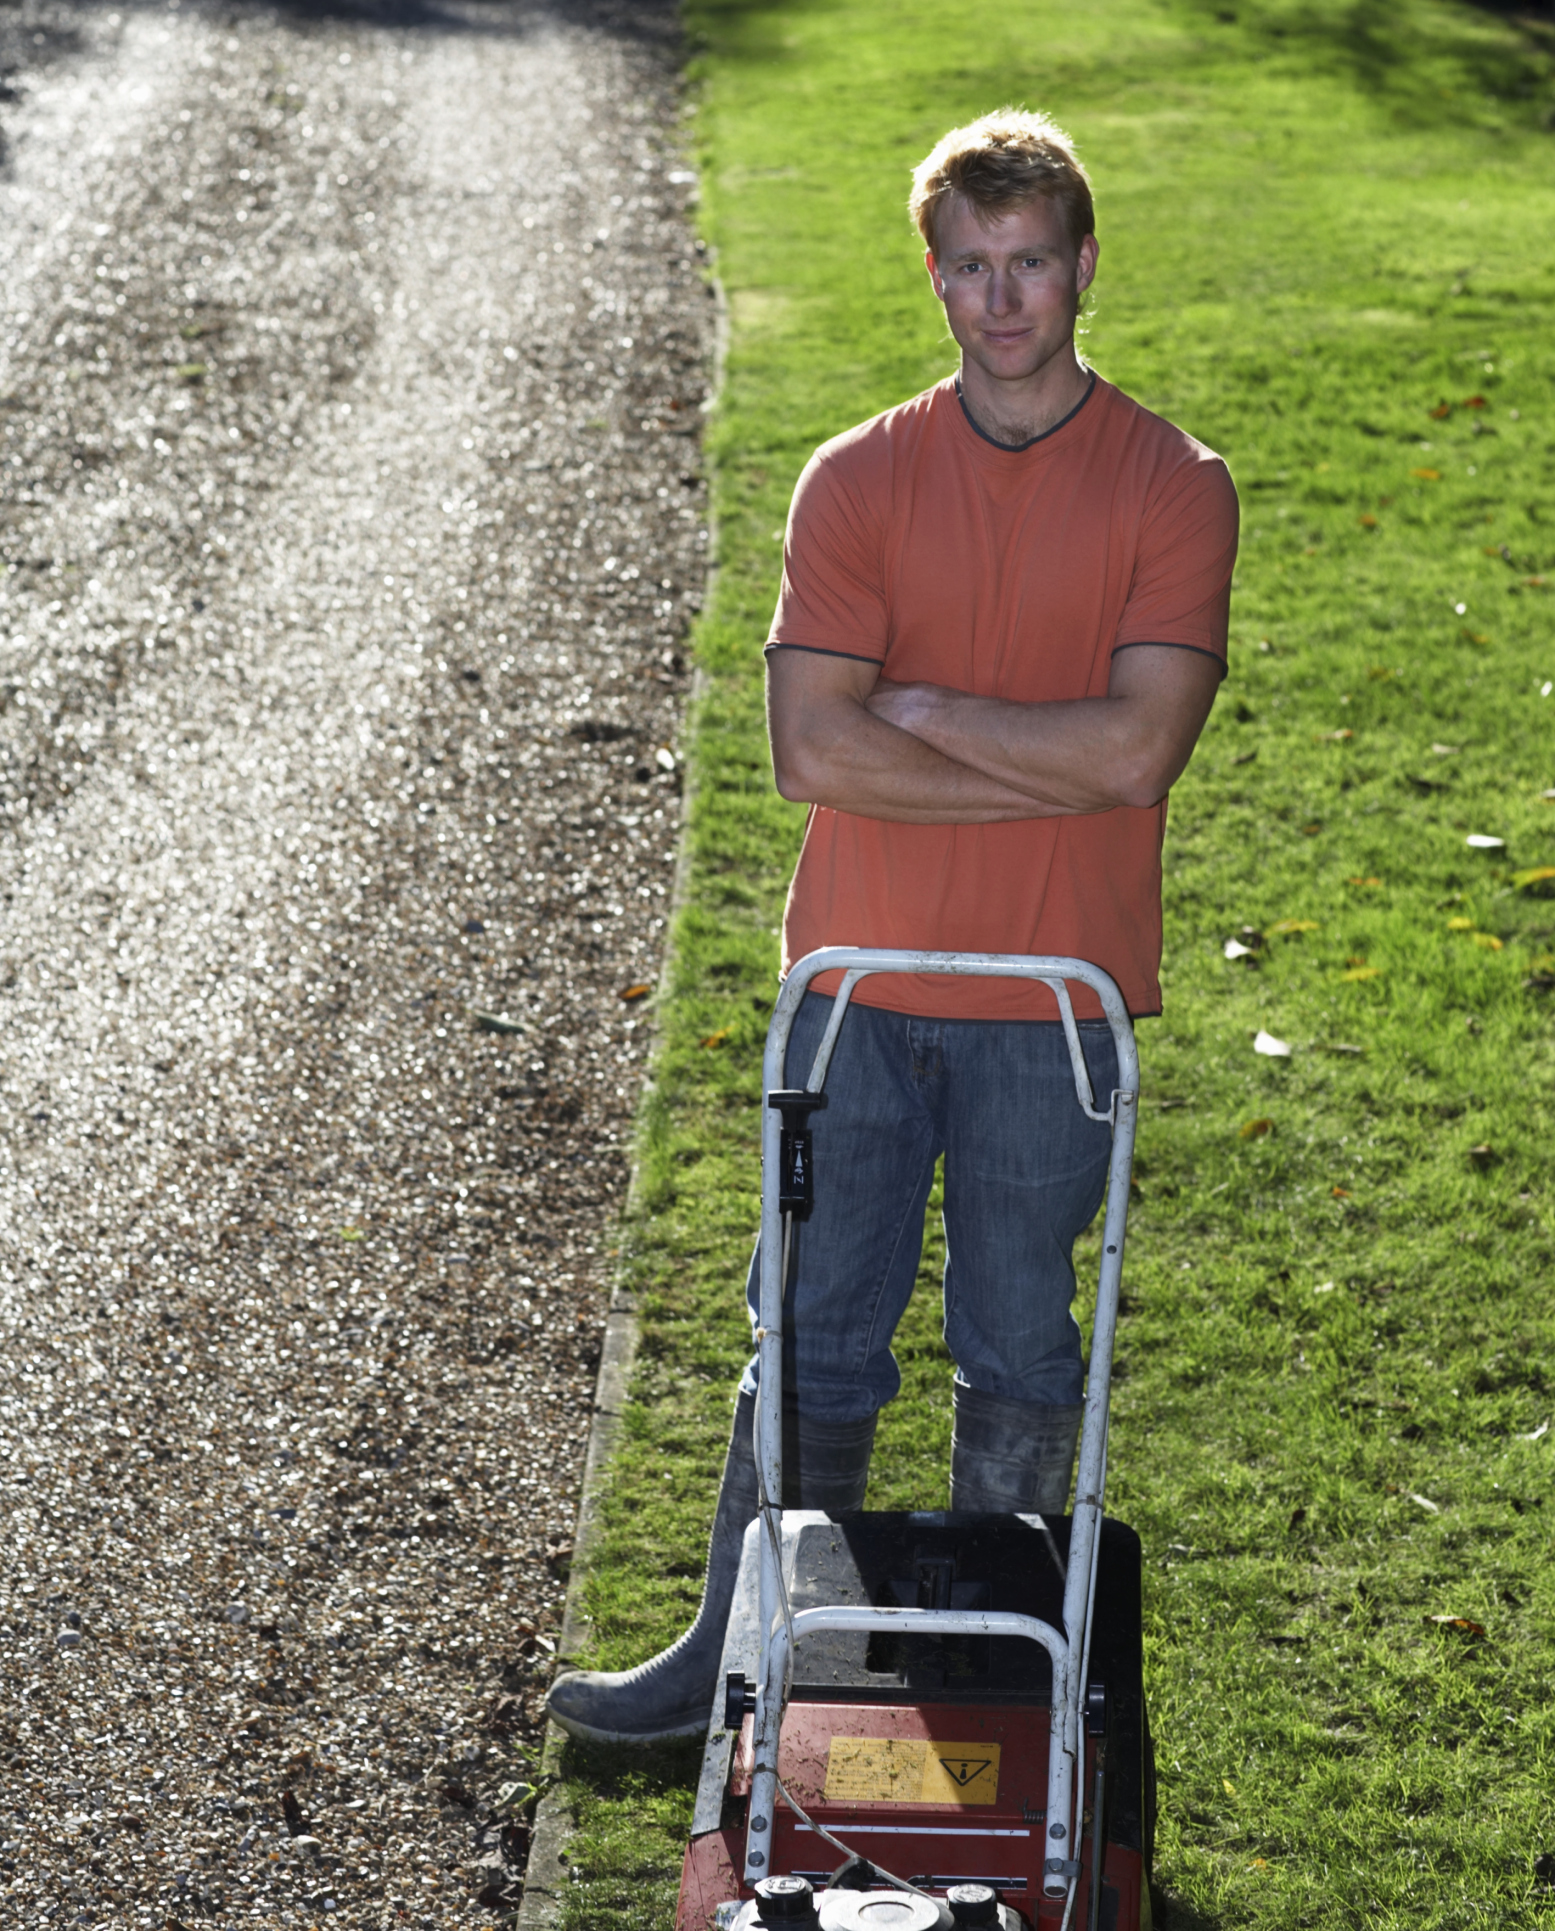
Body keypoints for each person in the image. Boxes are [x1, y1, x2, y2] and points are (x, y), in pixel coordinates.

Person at [547, 107, 1238, 1745]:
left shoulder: (1171, 484)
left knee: (1018, 1347)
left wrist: (923, 713)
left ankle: (994, 1693)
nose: (1004, 300)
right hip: (851, 995)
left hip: (1052, 1013)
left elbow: (1144, 751)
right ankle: (737, 1665)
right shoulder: (857, 478)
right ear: (936, 277)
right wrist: (1051, 764)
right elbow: (811, 754)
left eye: (1033, 264)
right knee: (813, 1337)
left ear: (1081, 268)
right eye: (972, 266)